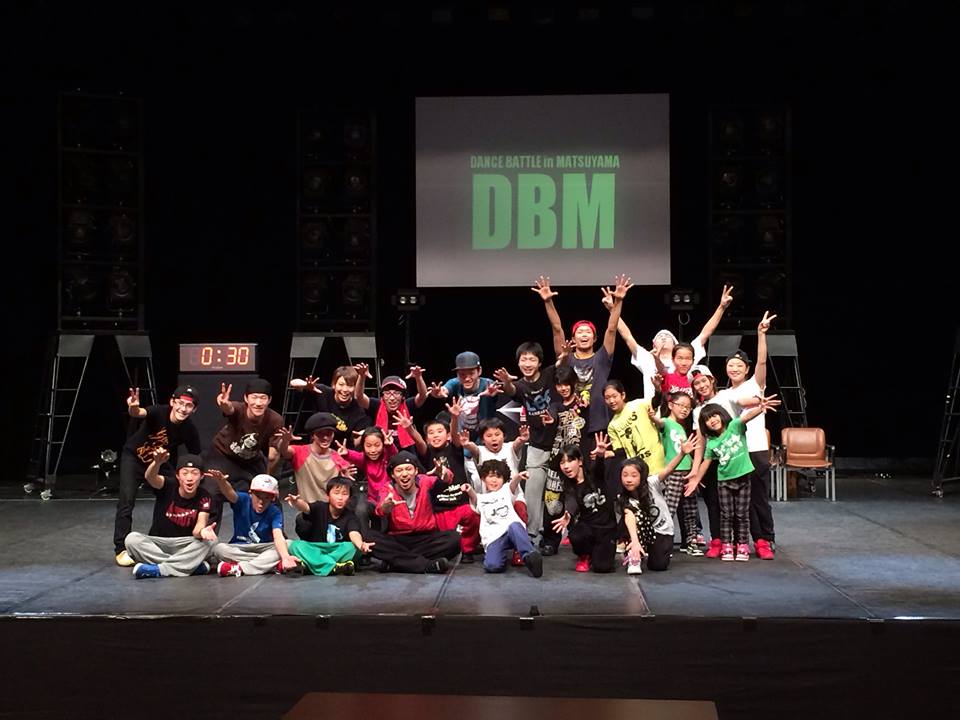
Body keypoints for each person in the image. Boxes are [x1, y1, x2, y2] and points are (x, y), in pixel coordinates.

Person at [533, 274, 632, 458]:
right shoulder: (566, 357)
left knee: (596, 470)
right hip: (570, 426)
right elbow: (557, 329)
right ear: (573, 338)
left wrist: (618, 302)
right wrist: (548, 302)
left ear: (594, 338)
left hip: (598, 426)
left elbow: (611, 329)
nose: (584, 335)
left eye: (588, 332)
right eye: (580, 332)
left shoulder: (602, 358)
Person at [684, 393, 781, 562]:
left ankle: (742, 545)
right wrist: (696, 479)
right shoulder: (711, 443)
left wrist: (760, 408)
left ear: (721, 414)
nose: (712, 420)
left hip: (743, 479)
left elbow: (746, 417)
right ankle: (727, 545)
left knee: (742, 514)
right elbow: (706, 463)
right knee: (726, 514)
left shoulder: (734, 426)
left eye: (714, 415)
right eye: (707, 419)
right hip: (724, 482)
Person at [714, 311, 779, 560]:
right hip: (734, 454)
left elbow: (762, 362)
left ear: (747, 369)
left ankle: (766, 539)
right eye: (731, 365)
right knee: (740, 502)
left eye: (739, 365)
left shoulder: (755, 385)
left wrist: (761, 334)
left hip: (756, 448)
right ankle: (746, 541)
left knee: (759, 498)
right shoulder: (722, 395)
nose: (734, 369)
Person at [113, 385, 202, 567]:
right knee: (126, 501)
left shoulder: (189, 429)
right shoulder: (159, 412)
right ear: (172, 402)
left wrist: (193, 474)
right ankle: (121, 549)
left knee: (170, 493)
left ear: (194, 409)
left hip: (159, 462)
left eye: (188, 406)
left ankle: (158, 537)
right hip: (134, 458)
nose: (183, 409)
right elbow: (138, 413)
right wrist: (133, 407)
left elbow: (196, 456)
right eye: (180, 403)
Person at [495, 341, 567, 549]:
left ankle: (553, 538)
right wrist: (506, 382)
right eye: (523, 359)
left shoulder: (549, 374)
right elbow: (511, 389)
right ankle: (531, 535)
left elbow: (561, 363)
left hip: (559, 445)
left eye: (532, 359)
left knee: (555, 496)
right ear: (518, 363)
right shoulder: (520, 385)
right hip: (536, 446)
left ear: (539, 362)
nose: (527, 363)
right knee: (533, 492)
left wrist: (565, 355)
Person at [614, 285, 734, 400]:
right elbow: (627, 337)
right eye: (660, 337)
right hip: (653, 409)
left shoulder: (685, 355)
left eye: (668, 336)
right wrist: (613, 310)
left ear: (676, 345)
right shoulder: (647, 358)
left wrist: (722, 307)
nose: (664, 338)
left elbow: (705, 334)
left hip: (684, 409)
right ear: (653, 344)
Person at [203, 378, 284, 528]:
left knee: (269, 493)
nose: (258, 403)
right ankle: (207, 534)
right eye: (254, 397)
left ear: (269, 400)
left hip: (251, 460)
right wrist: (224, 404)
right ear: (246, 398)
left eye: (263, 398)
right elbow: (229, 409)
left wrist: (268, 478)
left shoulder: (275, 420)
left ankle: (275, 534)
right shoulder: (239, 409)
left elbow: (273, 456)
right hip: (222, 455)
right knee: (212, 492)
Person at [363, 451, 462, 574]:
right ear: (393, 475)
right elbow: (380, 510)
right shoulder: (388, 488)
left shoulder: (425, 482)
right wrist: (386, 507)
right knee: (369, 537)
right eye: (399, 470)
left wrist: (444, 473)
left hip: (426, 539)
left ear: (416, 471)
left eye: (408, 469)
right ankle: (427, 565)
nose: (404, 474)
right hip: (398, 540)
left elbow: (447, 480)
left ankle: (397, 563)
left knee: (454, 539)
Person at [123, 450, 215, 579]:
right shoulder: (168, 485)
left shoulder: (204, 496)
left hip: (185, 545)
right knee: (131, 539)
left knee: (211, 542)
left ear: (201, 476)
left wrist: (203, 532)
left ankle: (160, 570)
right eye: (185, 473)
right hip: (159, 544)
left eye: (195, 473)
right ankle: (189, 566)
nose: (189, 478)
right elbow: (150, 478)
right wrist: (157, 463)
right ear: (177, 476)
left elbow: (197, 530)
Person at [619, 433, 699, 574]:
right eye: (625, 475)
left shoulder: (652, 483)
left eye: (633, 475)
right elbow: (629, 517)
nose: (628, 479)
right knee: (632, 518)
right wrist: (635, 541)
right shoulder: (623, 496)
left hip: (662, 530)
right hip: (640, 531)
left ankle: (649, 551)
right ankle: (634, 556)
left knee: (658, 566)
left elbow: (668, 470)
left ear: (642, 476)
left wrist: (682, 453)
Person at [421, 399, 481, 562]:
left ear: (447, 435)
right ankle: (450, 550)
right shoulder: (426, 453)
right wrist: (408, 428)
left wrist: (454, 417)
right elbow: (418, 442)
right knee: (444, 538)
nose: (435, 435)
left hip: (459, 503)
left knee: (473, 516)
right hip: (439, 507)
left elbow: (455, 436)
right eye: (431, 433)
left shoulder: (454, 449)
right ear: (427, 438)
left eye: (440, 431)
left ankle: (468, 549)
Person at [646, 391, 705, 556]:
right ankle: (663, 542)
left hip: (687, 472)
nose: (685, 410)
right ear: (671, 405)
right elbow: (660, 423)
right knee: (669, 508)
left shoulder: (682, 427)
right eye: (682, 406)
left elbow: (687, 451)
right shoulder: (667, 422)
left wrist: (694, 471)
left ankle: (691, 542)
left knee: (690, 509)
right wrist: (653, 417)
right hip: (674, 472)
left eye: (688, 407)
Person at [209, 472, 301, 577]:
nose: (261, 502)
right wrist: (222, 482)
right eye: (258, 496)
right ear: (250, 493)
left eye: (266, 498)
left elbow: (278, 535)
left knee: (288, 544)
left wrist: (285, 557)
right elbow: (230, 493)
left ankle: (240, 568)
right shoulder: (243, 500)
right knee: (219, 549)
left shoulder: (275, 512)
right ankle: (269, 564)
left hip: (264, 547)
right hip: (240, 547)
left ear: (273, 499)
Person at [463, 460, 543, 577]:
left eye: (498, 477)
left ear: (504, 479)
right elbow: (474, 498)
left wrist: (518, 477)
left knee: (515, 526)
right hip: (494, 538)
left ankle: (530, 556)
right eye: (491, 476)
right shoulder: (481, 498)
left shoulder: (506, 490)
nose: (494, 480)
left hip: (511, 531)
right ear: (484, 478)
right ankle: (500, 556)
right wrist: (469, 489)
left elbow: (513, 485)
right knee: (492, 566)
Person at [550, 433, 616, 573]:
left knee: (602, 567)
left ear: (580, 461)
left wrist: (600, 455)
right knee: (576, 534)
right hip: (588, 528)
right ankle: (584, 555)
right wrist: (568, 514)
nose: (566, 466)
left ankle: (598, 552)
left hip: (606, 529)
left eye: (570, 461)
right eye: (562, 463)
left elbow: (599, 467)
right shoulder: (569, 486)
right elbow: (571, 502)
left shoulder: (594, 475)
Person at [285, 475, 375, 576]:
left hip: (337, 549)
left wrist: (361, 545)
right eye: (336, 493)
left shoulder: (351, 516)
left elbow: (354, 533)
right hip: (317, 547)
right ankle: (334, 566)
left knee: (353, 548)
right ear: (328, 495)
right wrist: (296, 502)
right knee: (295, 546)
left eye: (344, 494)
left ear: (349, 498)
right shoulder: (320, 507)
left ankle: (313, 564)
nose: (340, 498)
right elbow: (306, 507)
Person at [276, 411, 353, 505]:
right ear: (312, 435)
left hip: (330, 508)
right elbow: (284, 451)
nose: (325, 438)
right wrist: (285, 441)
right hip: (307, 508)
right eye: (320, 434)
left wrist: (346, 477)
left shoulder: (337, 457)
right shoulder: (301, 452)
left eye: (329, 433)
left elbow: (347, 476)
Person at [289, 366, 372, 448]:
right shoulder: (322, 392)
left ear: (355, 388)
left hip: (340, 451)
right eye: (341, 384)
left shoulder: (360, 410)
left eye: (350, 386)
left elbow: (356, 442)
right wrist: (306, 385)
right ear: (334, 384)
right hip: (316, 447)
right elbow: (293, 382)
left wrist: (364, 435)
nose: (345, 389)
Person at [428, 352, 501, 440]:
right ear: (457, 374)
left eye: (471, 373)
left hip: (485, 435)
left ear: (479, 371)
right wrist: (438, 393)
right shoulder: (455, 383)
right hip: (461, 436)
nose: (467, 378)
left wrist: (492, 393)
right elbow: (444, 390)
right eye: (462, 374)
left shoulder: (487, 384)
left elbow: (496, 390)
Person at [354, 366, 428, 452]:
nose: (392, 398)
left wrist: (418, 378)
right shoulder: (377, 405)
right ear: (382, 396)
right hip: (382, 450)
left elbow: (423, 396)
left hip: (406, 452)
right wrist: (361, 377)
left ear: (403, 396)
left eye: (396, 393)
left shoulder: (408, 405)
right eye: (387, 393)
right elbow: (359, 397)